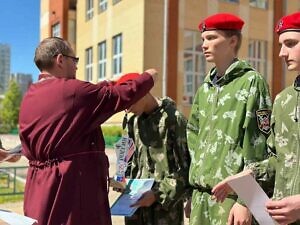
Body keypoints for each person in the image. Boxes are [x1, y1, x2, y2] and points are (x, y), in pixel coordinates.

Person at [18, 37, 157, 225]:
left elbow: (78, 106)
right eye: (74, 60)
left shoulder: (30, 95)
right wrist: (148, 77)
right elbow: (118, 96)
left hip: (40, 187)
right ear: (60, 60)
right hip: (70, 189)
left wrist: (105, 85)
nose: (76, 67)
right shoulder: (72, 91)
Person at [212, 12, 300, 225]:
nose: (281, 53)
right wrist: (248, 177)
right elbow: (279, 159)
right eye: (281, 45)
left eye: (290, 43)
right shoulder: (284, 100)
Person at [186, 13, 272, 225]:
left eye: (212, 38)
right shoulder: (204, 88)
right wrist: (191, 193)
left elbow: (259, 146)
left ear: (232, 41)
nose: (204, 45)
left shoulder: (251, 82)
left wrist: (246, 201)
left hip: (231, 201)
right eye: (203, 39)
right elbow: (193, 138)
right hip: (201, 199)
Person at [115, 73, 191, 225]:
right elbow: (124, 160)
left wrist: (156, 194)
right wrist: (120, 179)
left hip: (163, 214)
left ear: (142, 92)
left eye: (129, 104)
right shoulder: (132, 123)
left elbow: (187, 170)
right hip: (135, 211)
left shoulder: (173, 120)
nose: (128, 110)